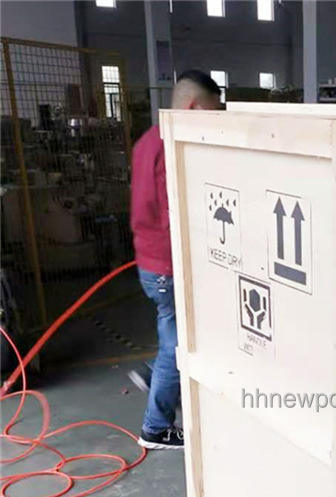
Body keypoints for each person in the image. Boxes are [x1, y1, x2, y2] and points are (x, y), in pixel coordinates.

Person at [130, 70, 223, 450]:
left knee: (177, 331)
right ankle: (155, 428)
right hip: (167, 265)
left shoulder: (148, 140)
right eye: (213, 112)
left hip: (149, 261)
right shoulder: (176, 148)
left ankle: (154, 375)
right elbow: (177, 214)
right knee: (177, 343)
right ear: (194, 106)